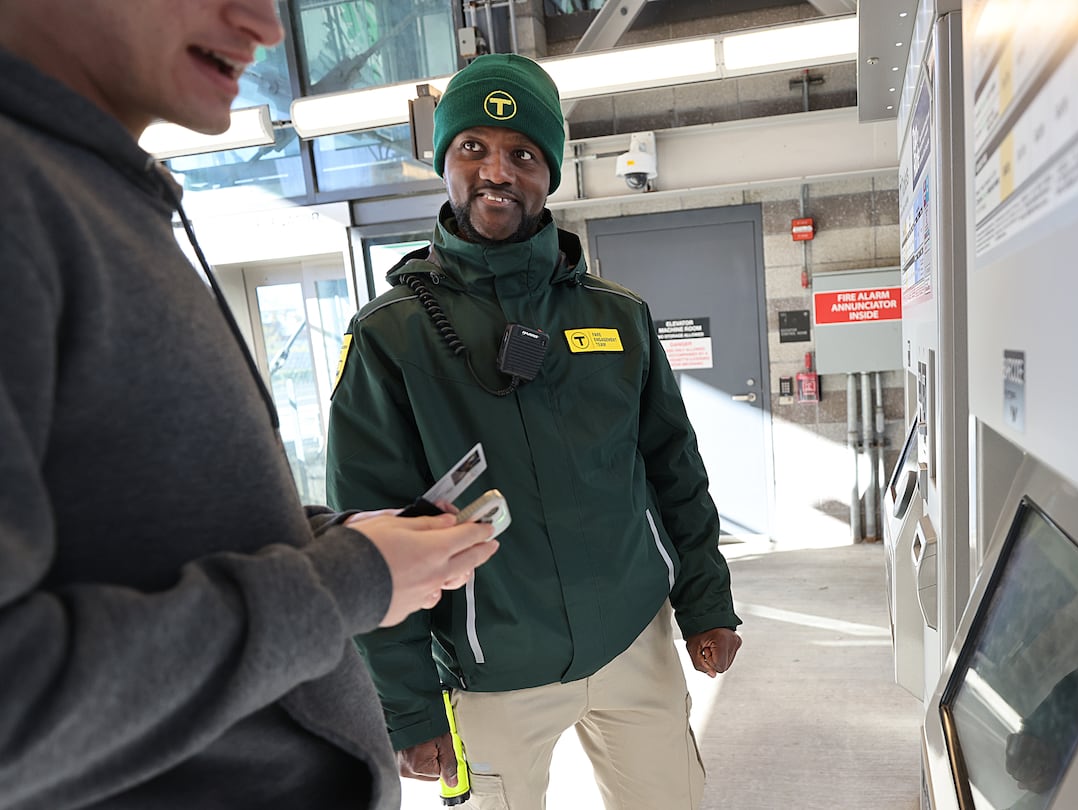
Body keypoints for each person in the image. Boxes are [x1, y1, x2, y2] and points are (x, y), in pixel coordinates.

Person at [0, 1, 500, 807]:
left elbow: (133, 530)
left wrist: (334, 541)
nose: (266, 26)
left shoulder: (99, 193)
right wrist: (344, 582)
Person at [326, 53, 743, 809]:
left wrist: (705, 601)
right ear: (443, 162)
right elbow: (370, 533)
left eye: (522, 154)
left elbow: (673, 468)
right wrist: (409, 707)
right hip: (490, 669)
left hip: (631, 639)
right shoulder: (391, 336)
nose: (497, 171)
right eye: (472, 149)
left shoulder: (619, 318)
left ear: (549, 172)